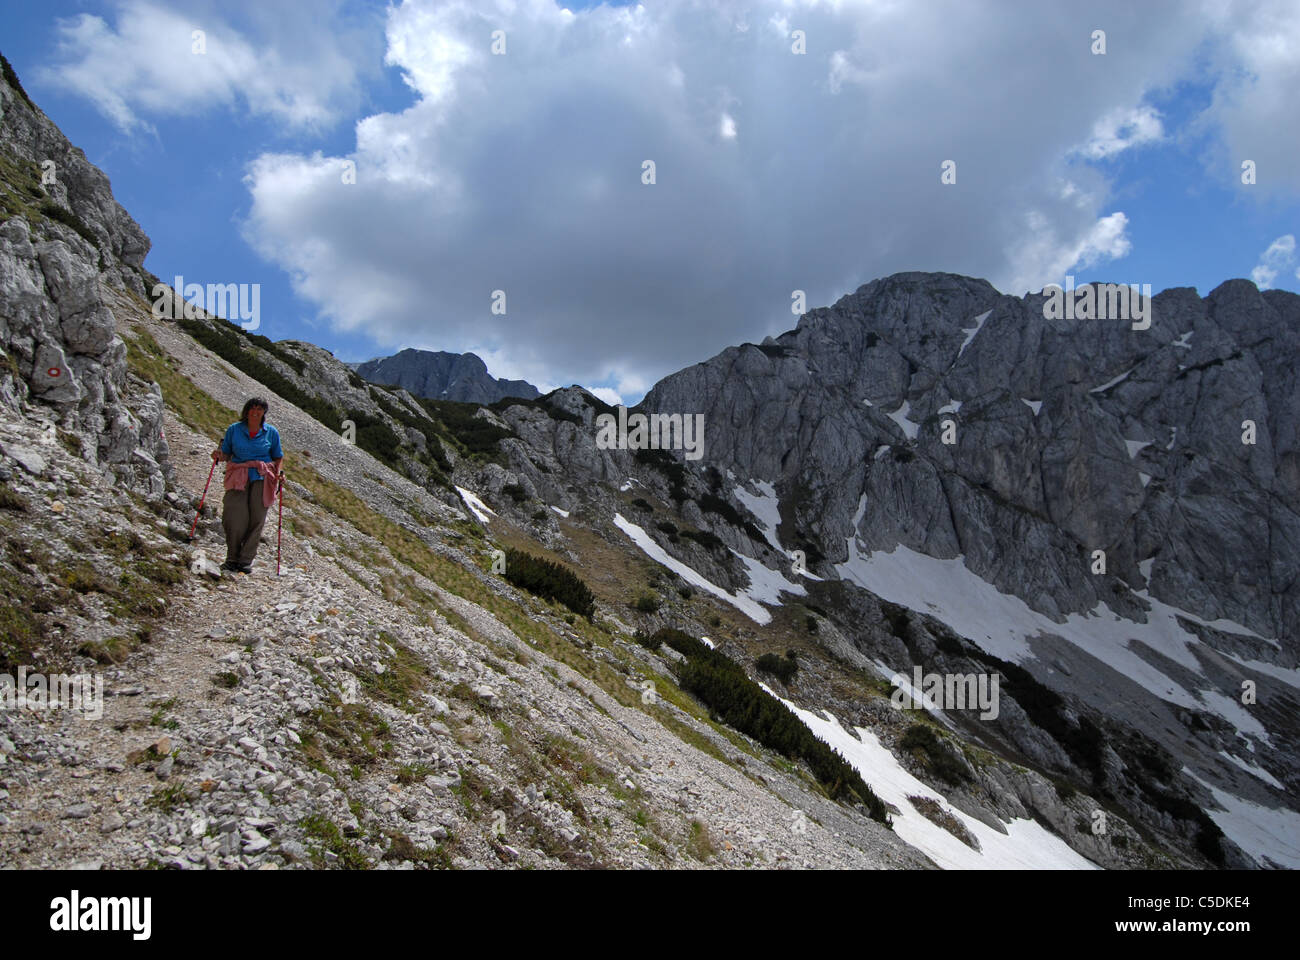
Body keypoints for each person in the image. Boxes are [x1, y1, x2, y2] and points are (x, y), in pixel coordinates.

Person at [211, 397, 284, 573]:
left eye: (260, 409)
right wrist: (219, 456)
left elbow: (278, 456)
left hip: (263, 476)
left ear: (264, 413)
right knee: (234, 515)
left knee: (257, 517)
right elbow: (227, 453)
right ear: (247, 410)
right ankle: (232, 557)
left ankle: (245, 560)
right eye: (253, 408)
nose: (255, 412)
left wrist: (279, 473)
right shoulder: (234, 430)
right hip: (238, 474)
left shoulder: (271, 432)